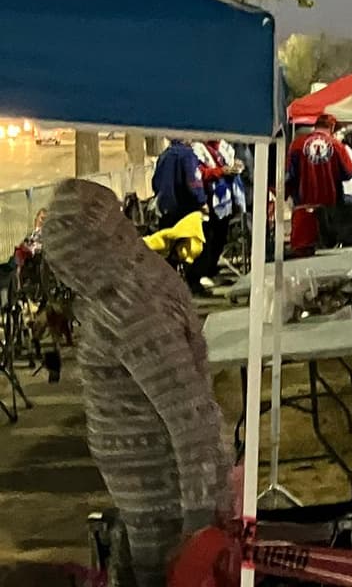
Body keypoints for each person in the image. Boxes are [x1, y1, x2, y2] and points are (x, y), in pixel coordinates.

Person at [42, 179, 230, 587]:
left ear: (82, 251)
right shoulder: (124, 284)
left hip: (167, 507)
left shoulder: (131, 308)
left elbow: (189, 415)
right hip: (154, 499)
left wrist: (198, 524)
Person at [285, 114, 352, 256]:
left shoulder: (297, 145)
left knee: (301, 256)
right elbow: (349, 173)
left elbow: (288, 176)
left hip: (304, 210)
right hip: (329, 212)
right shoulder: (337, 146)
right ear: (332, 128)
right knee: (328, 256)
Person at [186, 141, 245, 295]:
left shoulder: (224, 147)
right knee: (207, 240)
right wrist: (220, 172)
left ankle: (211, 270)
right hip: (208, 200)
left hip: (225, 201)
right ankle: (198, 276)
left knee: (220, 238)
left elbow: (231, 162)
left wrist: (236, 167)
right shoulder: (197, 149)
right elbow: (199, 174)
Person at [152, 139, 206, 229]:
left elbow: (155, 184)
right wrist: (202, 201)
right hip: (185, 213)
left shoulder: (164, 155)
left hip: (165, 212)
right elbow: (194, 184)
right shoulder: (188, 155)